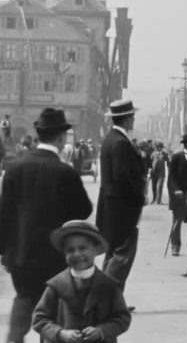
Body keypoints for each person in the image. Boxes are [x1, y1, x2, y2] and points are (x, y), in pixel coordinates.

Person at [0, 108, 93, 342]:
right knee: (53, 314)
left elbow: (4, 215)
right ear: (61, 137)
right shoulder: (65, 172)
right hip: (55, 257)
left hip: (21, 256)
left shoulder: (14, 169)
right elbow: (84, 210)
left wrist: (5, 253)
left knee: (23, 301)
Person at [32, 220, 131, 343]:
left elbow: (123, 318)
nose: (77, 254)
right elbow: (39, 319)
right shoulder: (55, 285)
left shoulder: (109, 286)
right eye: (70, 250)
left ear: (95, 249)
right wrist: (60, 333)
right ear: (64, 253)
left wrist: (102, 331)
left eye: (83, 248)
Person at [95, 99, 146, 310]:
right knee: (122, 256)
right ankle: (104, 301)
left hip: (111, 206)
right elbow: (122, 177)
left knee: (112, 253)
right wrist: (139, 196)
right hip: (122, 208)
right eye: (132, 116)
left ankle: (108, 300)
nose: (133, 119)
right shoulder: (121, 143)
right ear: (126, 118)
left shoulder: (111, 139)